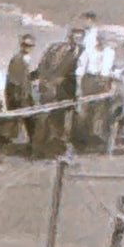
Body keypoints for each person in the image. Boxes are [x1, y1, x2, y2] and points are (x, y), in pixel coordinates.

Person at [33, 27, 86, 159]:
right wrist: (44, 82)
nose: (75, 41)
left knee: (61, 123)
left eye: (79, 38)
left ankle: (57, 150)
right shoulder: (56, 48)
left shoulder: (82, 51)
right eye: (73, 37)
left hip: (67, 92)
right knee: (44, 118)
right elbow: (43, 64)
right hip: (49, 88)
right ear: (69, 37)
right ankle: (38, 149)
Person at [1, 33, 38, 147]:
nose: (27, 48)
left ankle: (30, 143)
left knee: (29, 122)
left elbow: (25, 78)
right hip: (20, 96)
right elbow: (16, 81)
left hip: (26, 94)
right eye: (25, 45)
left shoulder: (26, 59)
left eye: (30, 45)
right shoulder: (17, 60)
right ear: (21, 46)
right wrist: (21, 98)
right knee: (26, 121)